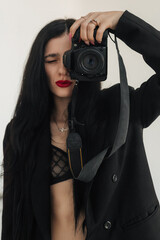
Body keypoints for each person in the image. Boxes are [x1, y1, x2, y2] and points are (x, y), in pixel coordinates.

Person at [1, 9, 160, 240]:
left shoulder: (121, 107)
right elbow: (13, 218)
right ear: (39, 67)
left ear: (91, 56)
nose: (63, 69)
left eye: (71, 57)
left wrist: (122, 22)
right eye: (52, 60)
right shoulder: (20, 130)